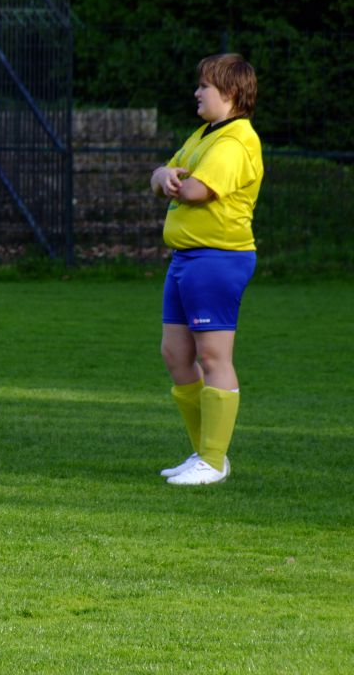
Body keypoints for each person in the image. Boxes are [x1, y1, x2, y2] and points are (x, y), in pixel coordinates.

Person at [150, 53, 263, 486]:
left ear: (230, 93)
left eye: (205, 87)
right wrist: (163, 174)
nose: (197, 93)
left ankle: (213, 461)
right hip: (186, 258)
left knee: (213, 356)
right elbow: (162, 175)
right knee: (176, 356)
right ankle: (203, 454)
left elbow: (194, 189)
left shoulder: (236, 141)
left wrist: (172, 180)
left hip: (217, 257)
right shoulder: (204, 134)